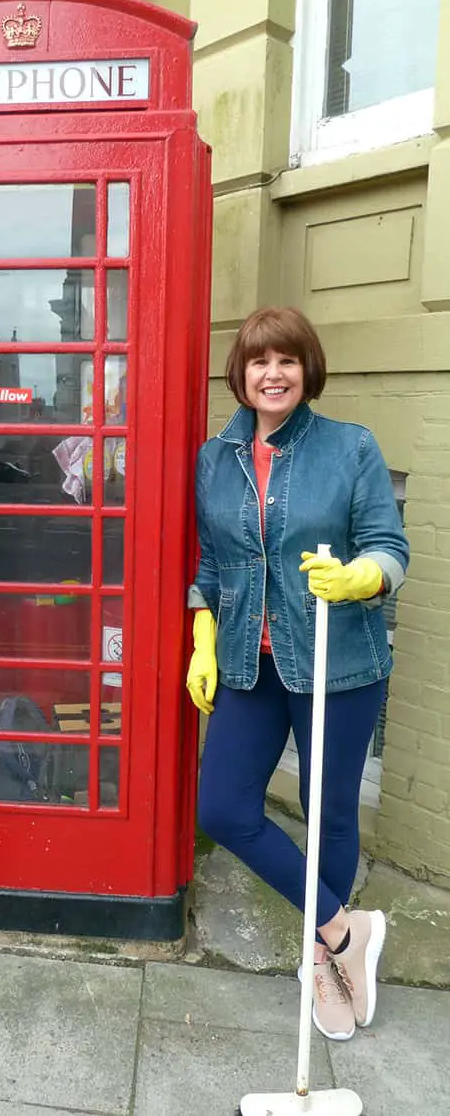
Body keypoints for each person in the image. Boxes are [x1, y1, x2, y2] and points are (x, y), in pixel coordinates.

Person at [186, 306, 409, 1043]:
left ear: (307, 370)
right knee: (221, 808)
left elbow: (389, 545)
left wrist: (360, 578)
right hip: (251, 664)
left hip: (337, 663)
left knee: (329, 813)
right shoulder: (215, 457)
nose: (272, 374)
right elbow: (212, 564)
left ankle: (320, 957)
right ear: (241, 374)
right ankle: (349, 934)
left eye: (286, 360)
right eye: (258, 361)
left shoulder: (350, 449)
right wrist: (203, 636)